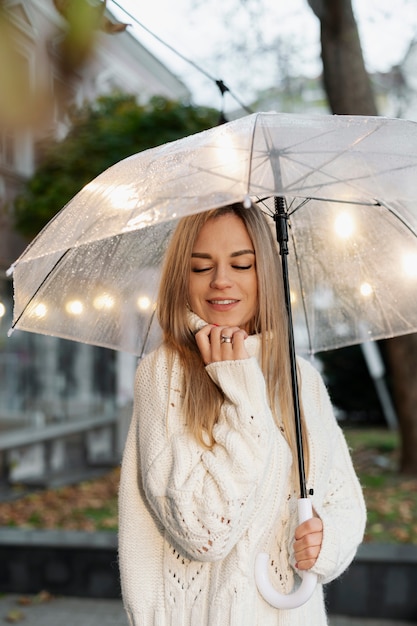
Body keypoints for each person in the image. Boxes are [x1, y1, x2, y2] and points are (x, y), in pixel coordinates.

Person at [118, 203, 366, 626]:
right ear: (182, 277)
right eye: (200, 267)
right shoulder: (165, 374)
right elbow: (202, 531)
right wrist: (242, 389)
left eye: (242, 263)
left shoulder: (298, 378)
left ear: (265, 272)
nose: (220, 281)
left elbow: (346, 503)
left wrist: (326, 540)